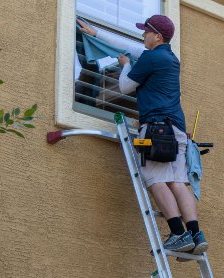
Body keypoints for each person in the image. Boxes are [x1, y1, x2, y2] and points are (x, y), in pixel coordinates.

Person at [76, 15, 207, 255]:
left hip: (156, 128)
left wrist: (126, 64)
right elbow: (131, 47)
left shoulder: (150, 58)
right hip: (177, 130)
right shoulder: (170, 58)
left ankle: (178, 233)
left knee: (155, 179)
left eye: (146, 32)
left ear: (157, 36)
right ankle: (196, 234)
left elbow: (126, 86)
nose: (142, 35)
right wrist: (97, 34)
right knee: (177, 182)